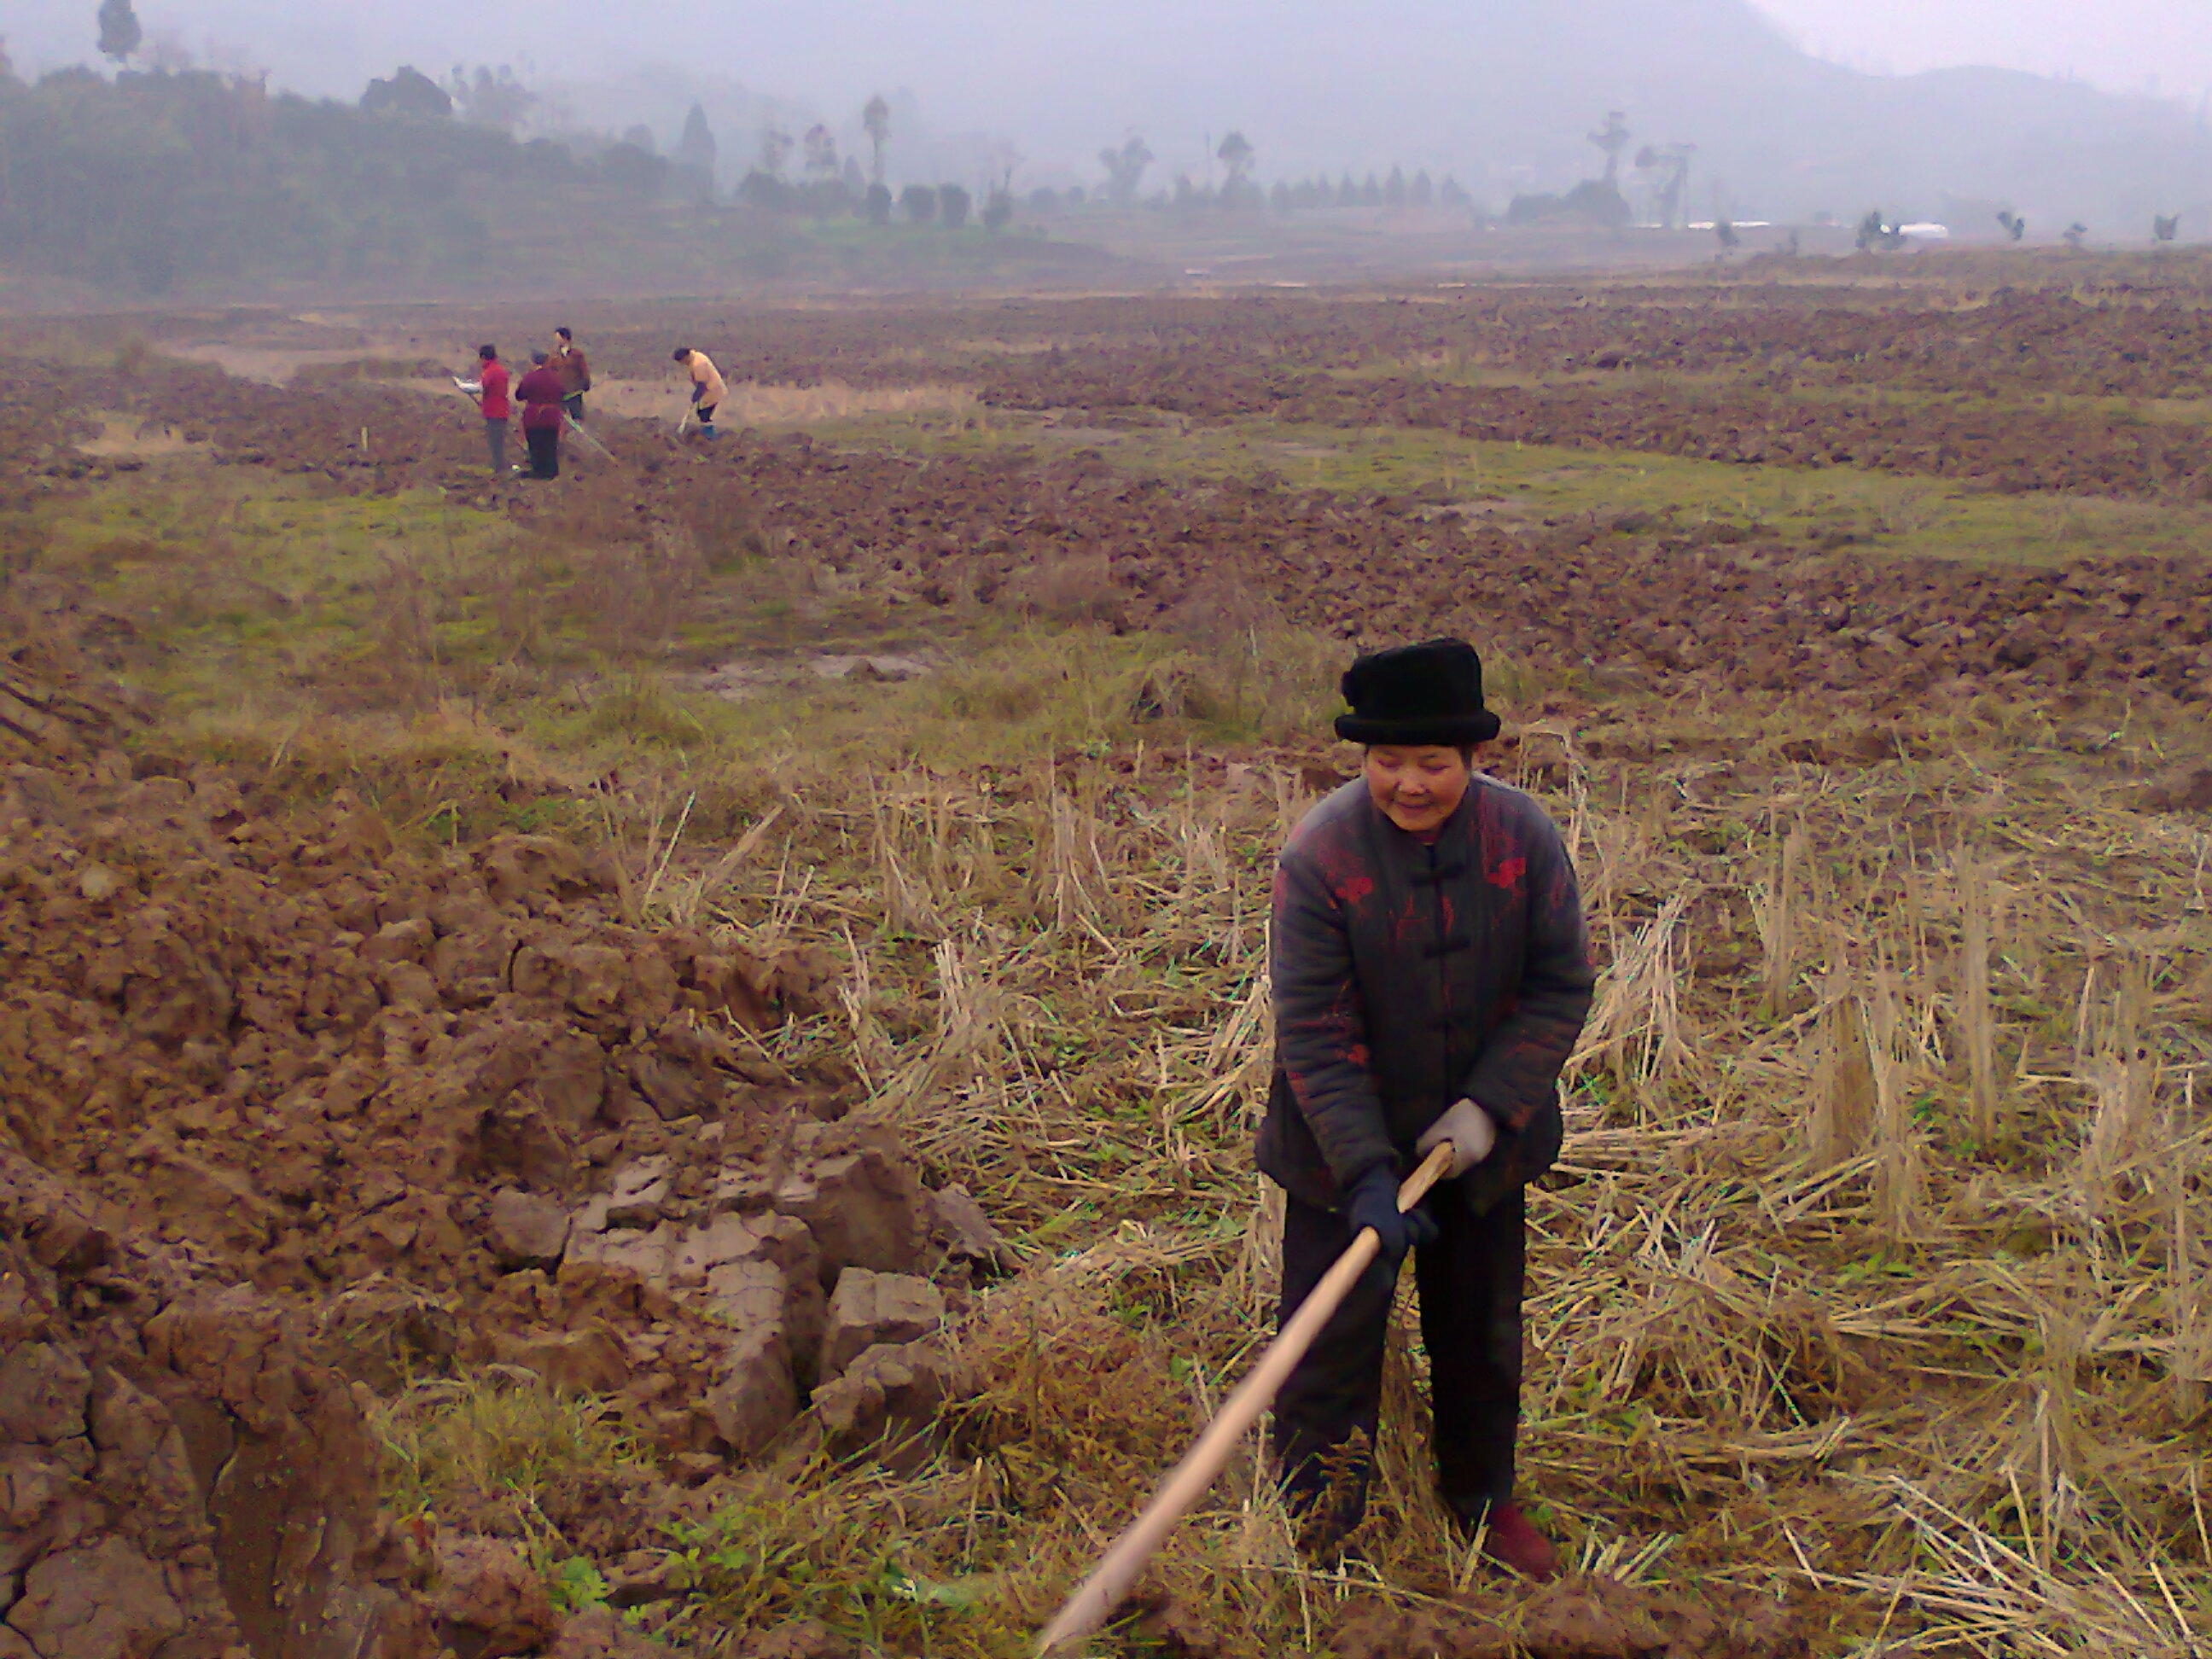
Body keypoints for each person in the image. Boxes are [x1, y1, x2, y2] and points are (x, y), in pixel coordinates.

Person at [1261, 637, 1594, 1579]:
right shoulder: (1320, 856)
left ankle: (1483, 1498)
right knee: (1328, 1343)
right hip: (1341, 1146)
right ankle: (1323, 1520)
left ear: (1473, 759)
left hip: (1480, 1148)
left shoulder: (1521, 838)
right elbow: (1317, 1031)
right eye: (1388, 763)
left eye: (1433, 764)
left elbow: (1560, 985)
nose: (1410, 784)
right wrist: (1368, 1173)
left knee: (1481, 1331)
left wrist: (1489, 1108)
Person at [456, 344, 511, 474]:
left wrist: (461, 385)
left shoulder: (492, 371)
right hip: (499, 410)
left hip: (495, 411)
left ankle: (500, 467)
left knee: (495, 440)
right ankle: (499, 465)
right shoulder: (498, 370)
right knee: (496, 439)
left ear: (484, 358)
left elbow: (479, 387)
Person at [513, 351, 568, 479]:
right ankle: (551, 471)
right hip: (552, 416)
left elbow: (519, 395)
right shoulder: (555, 377)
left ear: (533, 362)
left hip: (534, 417)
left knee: (536, 445)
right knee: (550, 444)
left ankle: (538, 471)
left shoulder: (530, 377)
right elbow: (562, 394)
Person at [673, 346, 726, 437]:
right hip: (708, 390)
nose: (682, 364)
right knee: (701, 412)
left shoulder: (698, 364)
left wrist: (696, 396)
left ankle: (711, 436)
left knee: (704, 414)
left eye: (682, 361)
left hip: (712, 391)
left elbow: (702, 384)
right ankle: (707, 434)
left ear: (685, 357)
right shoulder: (696, 357)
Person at [551, 326, 591, 424]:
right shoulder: (554, 356)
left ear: (565, 338)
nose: (556, 340)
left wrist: (584, 385)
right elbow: (551, 371)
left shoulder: (577, 355)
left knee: (577, 418)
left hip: (575, 393)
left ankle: (579, 438)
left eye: (558, 337)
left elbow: (584, 371)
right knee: (560, 419)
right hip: (560, 394)